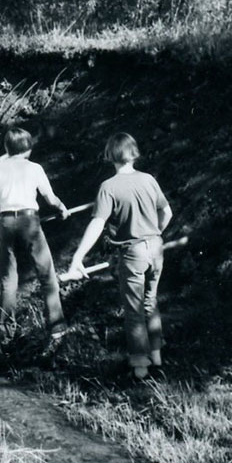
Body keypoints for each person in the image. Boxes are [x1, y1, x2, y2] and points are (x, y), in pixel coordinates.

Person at [66, 133, 173, 380]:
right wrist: (155, 234)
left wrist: (77, 258)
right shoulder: (148, 179)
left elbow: (96, 224)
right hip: (156, 247)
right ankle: (157, 357)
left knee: (134, 309)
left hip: (133, 253)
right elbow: (167, 212)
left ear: (109, 155)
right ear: (134, 152)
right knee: (150, 301)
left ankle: (140, 368)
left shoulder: (109, 187)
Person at [0, 127, 70, 339]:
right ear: (28, 148)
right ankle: (57, 327)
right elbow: (50, 197)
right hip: (30, 221)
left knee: (8, 278)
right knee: (46, 274)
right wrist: (61, 208)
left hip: (7, 222)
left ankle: (6, 333)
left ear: (7, 148)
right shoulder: (35, 168)